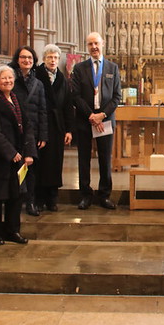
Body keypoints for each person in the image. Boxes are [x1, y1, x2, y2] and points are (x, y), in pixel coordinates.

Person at [0, 65, 36, 245]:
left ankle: (13, 231)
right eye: (4, 78)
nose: (8, 81)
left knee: (16, 196)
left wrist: (28, 153)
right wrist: (10, 152)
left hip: (18, 157)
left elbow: (27, 127)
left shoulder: (16, 99)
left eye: (10, 78)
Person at [71, 32, 122, 210]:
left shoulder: (112, 68)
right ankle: (85, 194)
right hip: (86, 119)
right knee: (84, 159)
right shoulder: (79, 68)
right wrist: (91, 116)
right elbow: (75, 95)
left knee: (105, 159)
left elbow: (117, 97)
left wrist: (102, 115)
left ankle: (104, 195)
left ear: (103, 44)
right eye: (90, 44)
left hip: (105, 119)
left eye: (96, 43)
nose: (94, 47)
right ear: (87, 46)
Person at [35, 44, 75, 212]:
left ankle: (52, 198)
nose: (53, 60)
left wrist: (69, 129)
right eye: (50, 57)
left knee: (55, 163)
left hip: (58, 126)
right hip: (40, 125)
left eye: (56, 58)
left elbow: (67, 105)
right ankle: (38, 198)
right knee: (40, 163)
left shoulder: (63, 80)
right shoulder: (36, 76)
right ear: (44, 59)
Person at [9, 46, 48, 216]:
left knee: (31, 168)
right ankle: (13, 200)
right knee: (14, 167)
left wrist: (43, 135)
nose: (27, 61)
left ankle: (30, 202)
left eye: (30, 58)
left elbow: (42, 110)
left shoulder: (38, 83)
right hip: (14, 130)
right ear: (17, 59)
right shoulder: (11, 80)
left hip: (32, 132)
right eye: (23, 57)